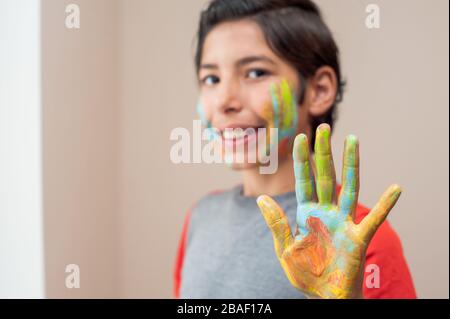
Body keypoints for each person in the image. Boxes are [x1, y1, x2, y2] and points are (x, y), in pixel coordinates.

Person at [174, 0, 416, 298]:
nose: (225, 100)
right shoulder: (201, 216)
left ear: (319, 90)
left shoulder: (361, 236)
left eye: (255, 72)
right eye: (211, 78)